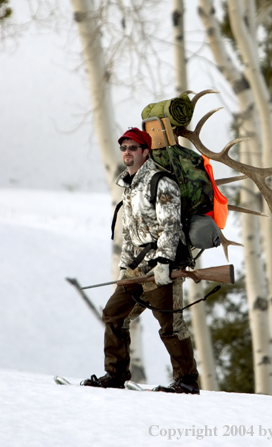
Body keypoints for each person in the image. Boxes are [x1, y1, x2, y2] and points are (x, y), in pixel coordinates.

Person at [82, 127, 200, 394]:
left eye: (133, 148)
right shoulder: (128, 184)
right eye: (124, 148)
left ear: (145, 152)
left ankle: (187, 381)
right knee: (113, 315)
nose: (127, 152)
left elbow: (170, 226)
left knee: (171, 325)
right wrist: (125, 266)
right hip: (136, 268)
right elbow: (129, 232)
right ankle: (115, 375)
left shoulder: (162, 181)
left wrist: (164, 263)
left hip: (162, 268)